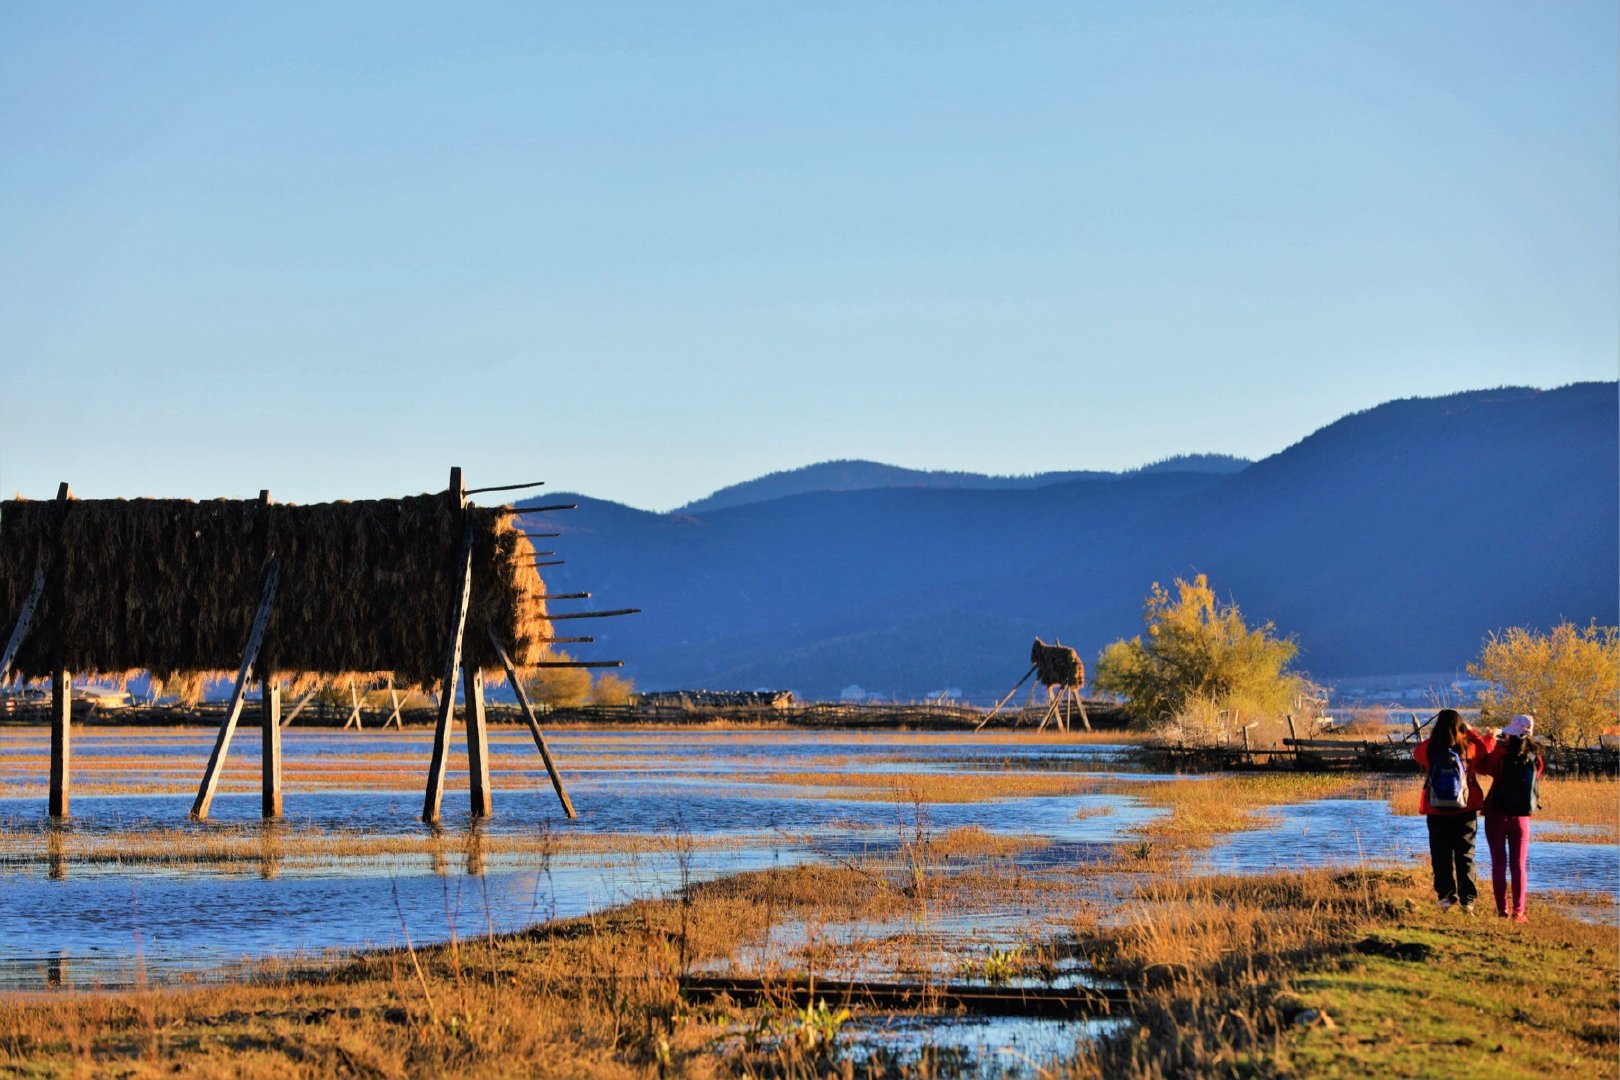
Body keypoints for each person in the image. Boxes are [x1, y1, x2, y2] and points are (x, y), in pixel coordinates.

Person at [1412, 709, 1495, 913]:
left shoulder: (1431, 749)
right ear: (1460, 727)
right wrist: (1471, 731)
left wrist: (1435, 736)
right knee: (1465, 855)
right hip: (1465, 809)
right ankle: (1468, 900)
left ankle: (1445, 897)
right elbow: (1485, 751)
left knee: (1440, 855)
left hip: (1436, 810)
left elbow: (1416, 753)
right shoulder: (1468, 748)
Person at [1480, 714, 1543, 923]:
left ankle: (1502, 911)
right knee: (1518, 865)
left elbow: (1482, 766)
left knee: (1498, 864)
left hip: (1497, 814)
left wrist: (1491, 739)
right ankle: (1519, 912)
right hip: (1521, 818)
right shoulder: (1535, 756)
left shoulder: (1500, 753)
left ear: (1511, 733)